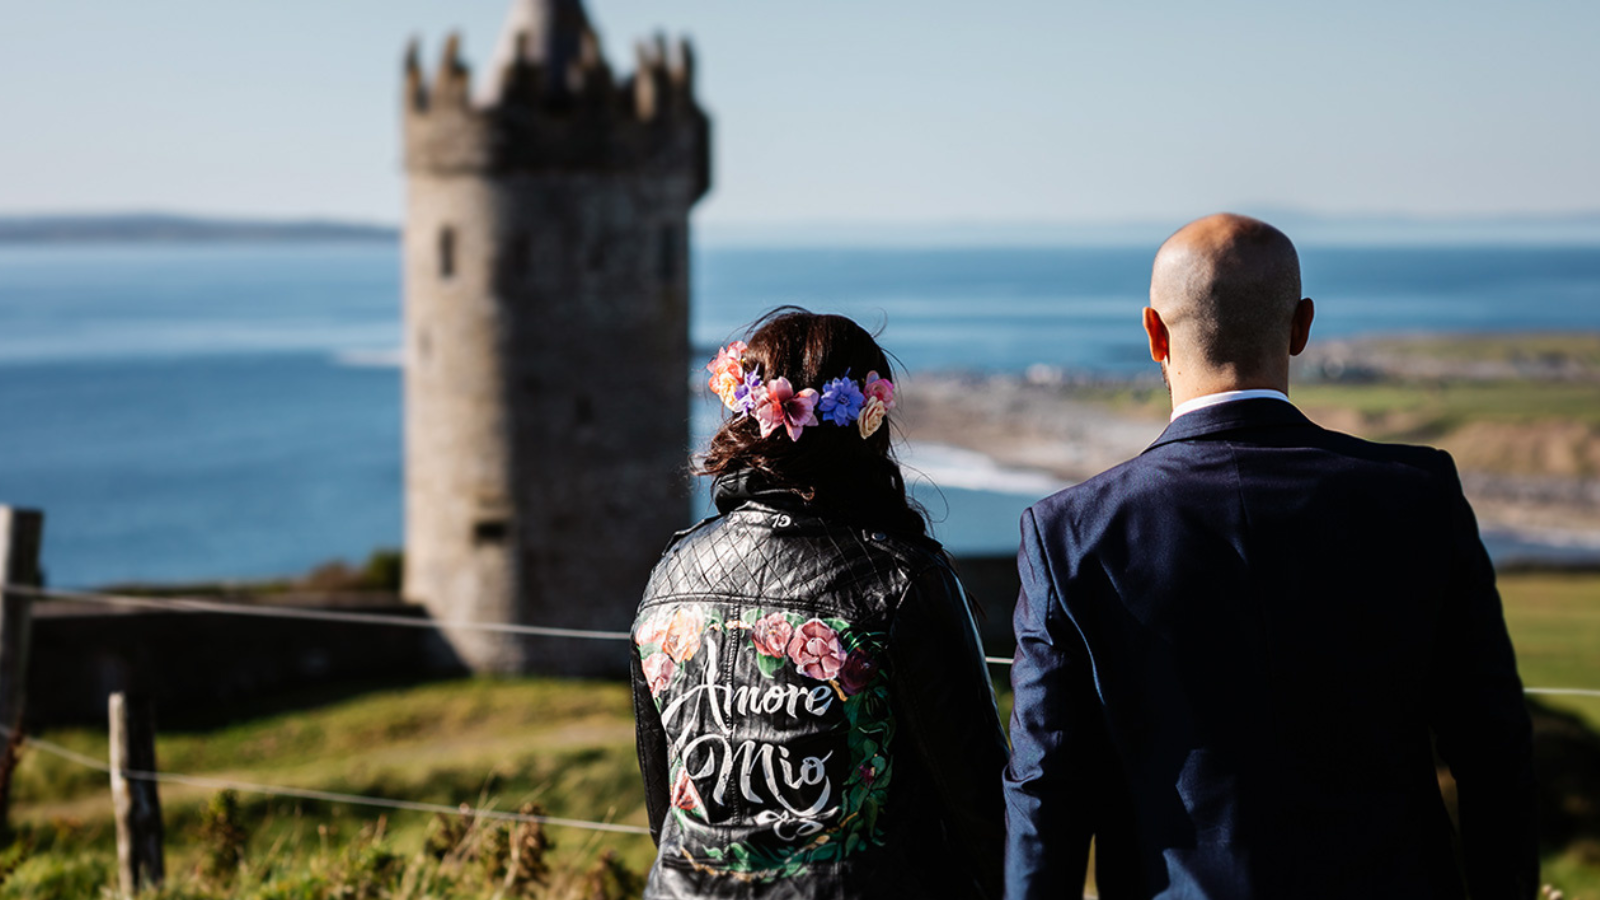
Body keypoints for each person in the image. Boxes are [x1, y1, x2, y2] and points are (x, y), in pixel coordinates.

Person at [1004, 214, 1538, 900]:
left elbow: (1047, 790)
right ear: (1301, 327)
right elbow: (1494, 751)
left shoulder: (1071, 532)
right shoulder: (1419, 495)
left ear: (1154, 334)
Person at [631, 308, 1009, 899]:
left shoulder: (671, 571)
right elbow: (982, 804)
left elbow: (669, 807)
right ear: (869, 423)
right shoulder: (903, 578)